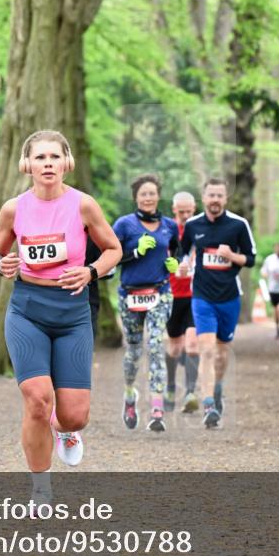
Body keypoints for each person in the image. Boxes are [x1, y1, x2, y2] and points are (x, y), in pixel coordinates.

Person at [0, 130, 121, 506]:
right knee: (37, 400)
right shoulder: (13, 209)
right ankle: (41, 489)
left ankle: (64, 430)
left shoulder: (84, 205)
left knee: (75, 416)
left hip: (73, 312)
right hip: (27, 309)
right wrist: (1, 264)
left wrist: (91, 271)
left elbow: (113, 249)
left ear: (67, 163)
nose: (48, 164)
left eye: (54, 157)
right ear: (26, 164)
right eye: (40, 157)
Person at [178, 177, 257, 428]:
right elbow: (182, 252)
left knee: (222, 353)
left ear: (225, 198)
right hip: (202, 296)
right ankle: (209, 404)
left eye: (219, 195)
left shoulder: (238, 225)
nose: (215, 200)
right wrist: (182, 264)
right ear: (204, 198)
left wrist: (231, 255)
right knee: (207, 350)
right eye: (211, 195)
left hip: (229, 297)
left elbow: (251, 258)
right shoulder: (193, 225)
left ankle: (217, 387)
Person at [112, 174, 180, 432]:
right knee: (133, 351)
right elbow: (110, 257)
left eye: (152, 193)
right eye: (143, 194)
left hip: (160, 292)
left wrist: (174, 263)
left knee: (155, 345)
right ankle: (130, 395)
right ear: (136, 198)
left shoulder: (169, 225)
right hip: (130, 294)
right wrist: (135, 252)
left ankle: (157, 409)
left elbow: (176, 249)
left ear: (158, 196)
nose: (148, 198)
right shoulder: (124, 225)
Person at [165, 191, 200, 414]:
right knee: (175, 347)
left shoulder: (200, 229)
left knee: (193, 344)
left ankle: (190, 393)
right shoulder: (167, 230)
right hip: (171, 295)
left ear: (194, 209)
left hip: (195, 295)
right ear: (174, 209)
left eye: (189, 211)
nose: (185, 215)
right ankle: (170, 386)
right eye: (181, 211)